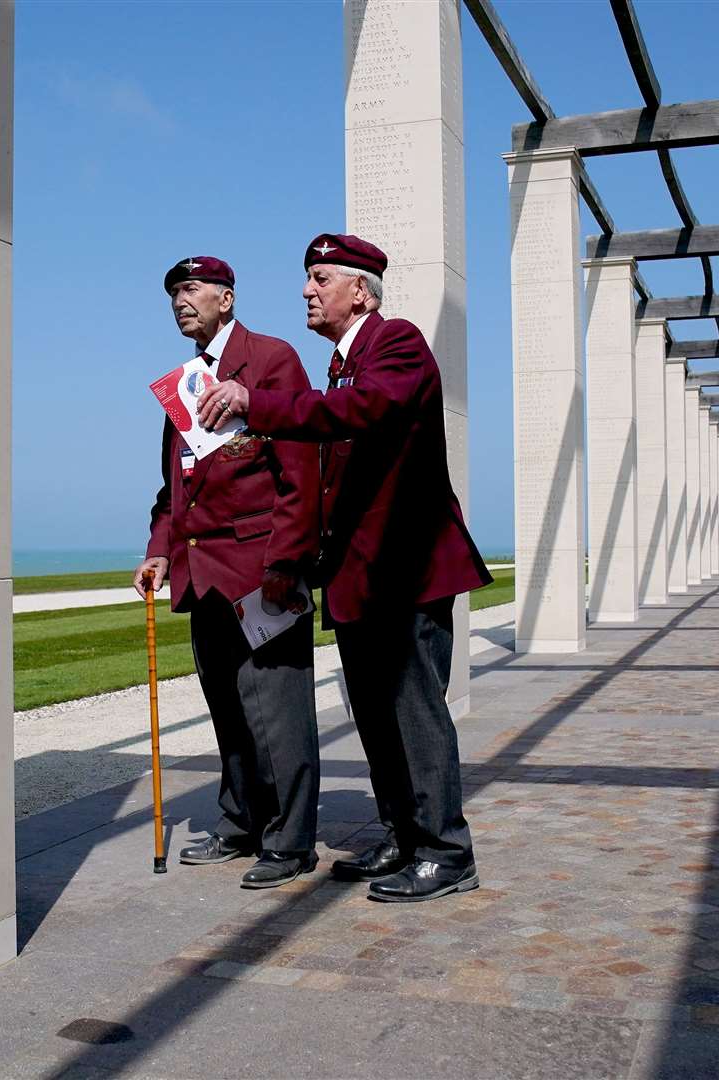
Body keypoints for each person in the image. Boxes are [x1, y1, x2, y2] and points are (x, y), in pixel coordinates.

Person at [197, 234, 491, 903]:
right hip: (359, 577)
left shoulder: (396, 343)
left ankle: (445, 851)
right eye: (307, 278)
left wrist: (257, 405)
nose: (306, 290)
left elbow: (366, 412)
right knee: (374, 715)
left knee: (413, 713)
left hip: (405, 569)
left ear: (359, 290)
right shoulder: (337, 366)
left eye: (320, 277)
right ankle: (401, 833)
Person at [134, 255, 322, 889]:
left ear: (227, 297)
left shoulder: (272, 360)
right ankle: (241, 822)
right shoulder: (183, 383)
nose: (179, 302)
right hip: (201, 572)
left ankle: (291, 841)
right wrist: (160, 547)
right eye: (173, 294)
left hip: (260, 569)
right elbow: (173, 490)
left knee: (278, 710)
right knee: (227, 707)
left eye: (190, 290)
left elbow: (301, 473)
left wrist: (288, 561)